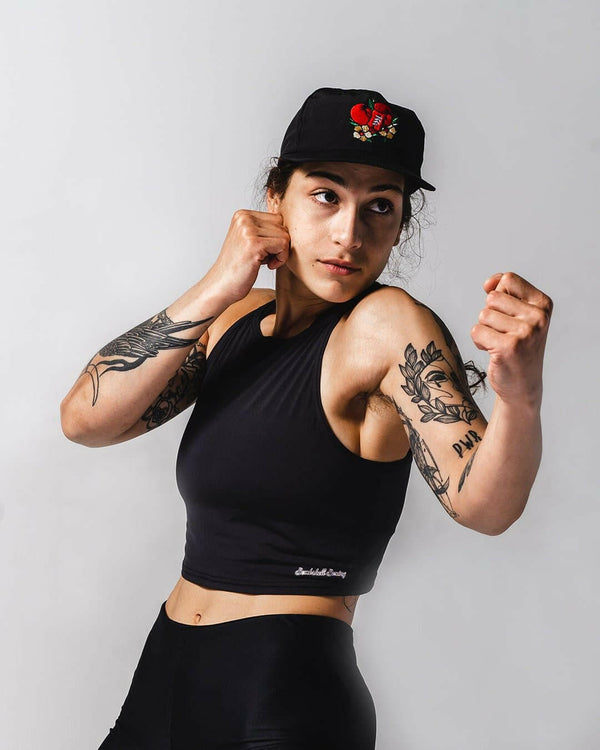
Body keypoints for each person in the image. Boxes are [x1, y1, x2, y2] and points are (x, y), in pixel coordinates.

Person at [60, 86, 552, 750]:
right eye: (326, 195)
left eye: (380, 205)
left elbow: (485, 508)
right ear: (276, 199)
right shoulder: (235, 318)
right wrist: (219, 283)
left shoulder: (385, 327)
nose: (350, 234)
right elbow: (85, 420)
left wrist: (521, 399)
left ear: (401, 225)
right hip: (164, 673)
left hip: (282, 692)